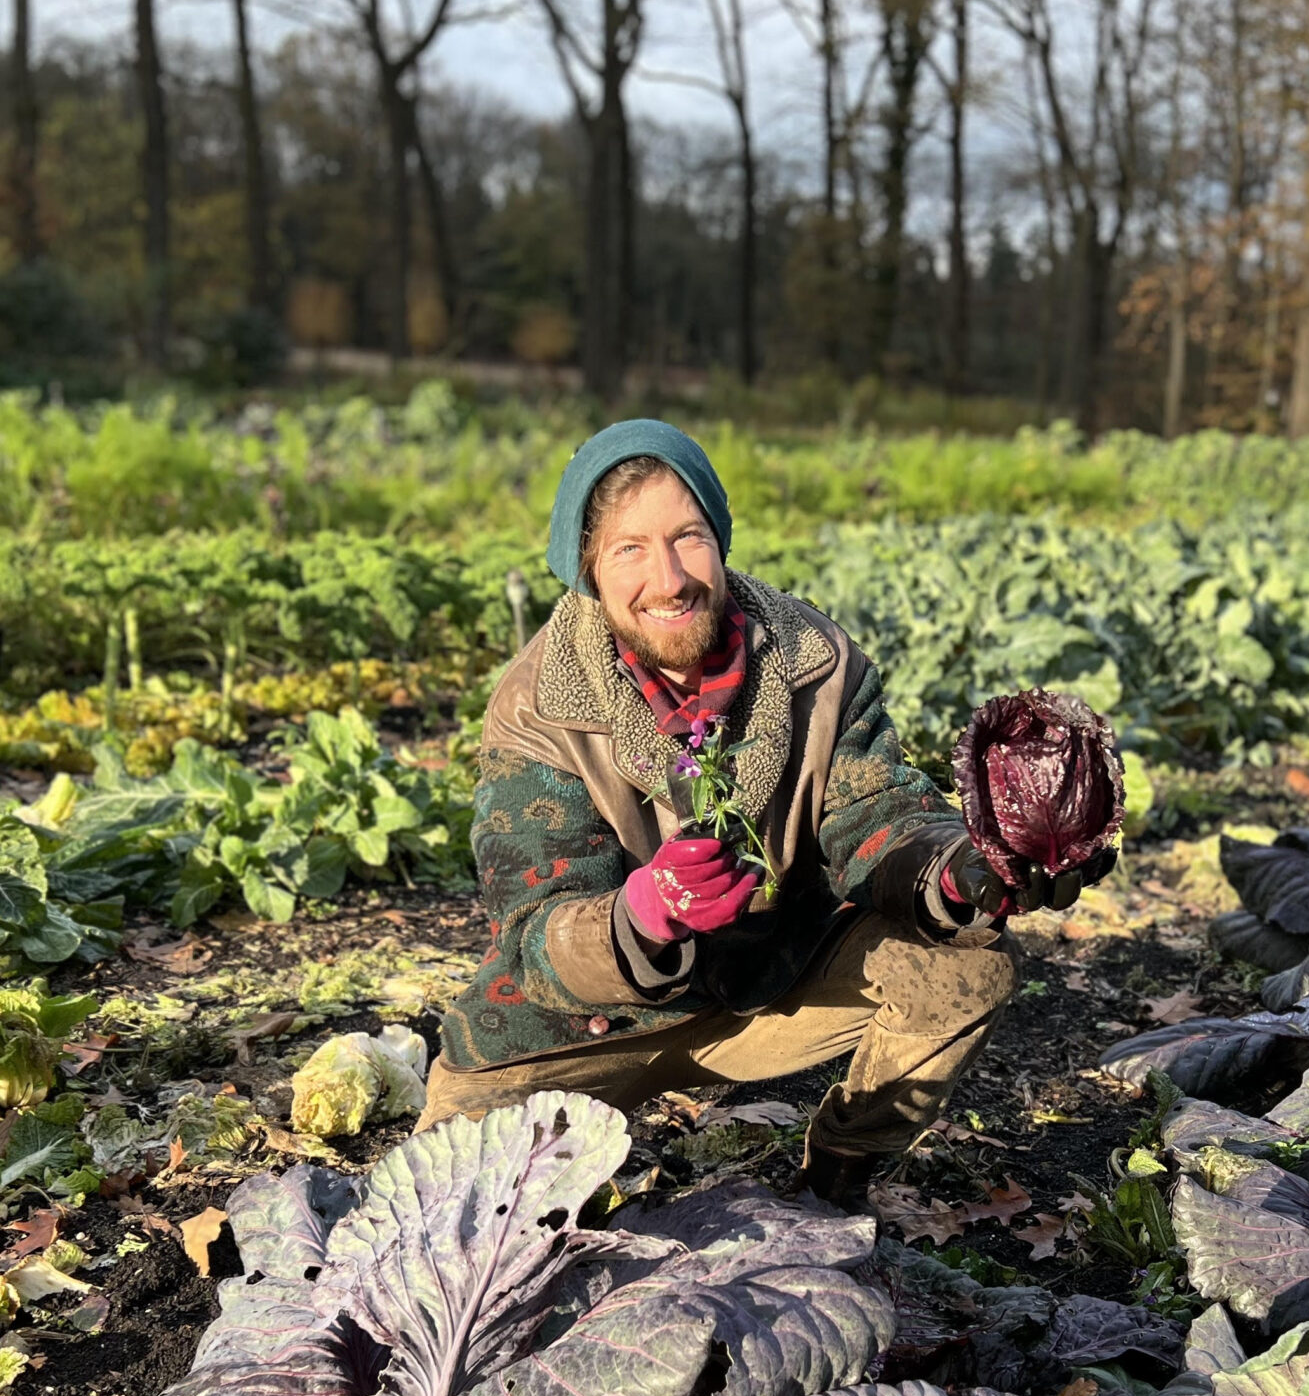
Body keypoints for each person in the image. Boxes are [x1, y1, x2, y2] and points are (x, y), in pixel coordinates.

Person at [422, 420, 1108, 1201]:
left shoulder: (815, 663)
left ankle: (839, 1176)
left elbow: (876, 814)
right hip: (589, 1028)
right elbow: (534, 927)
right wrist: (641, 916)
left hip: (772, 978)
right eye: (629, 549)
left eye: (688, 538)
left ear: (720, 539)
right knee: (448, 1202)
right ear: (588, 569)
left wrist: (962, 872)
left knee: (966, 965)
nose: (669, 579)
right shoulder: (538, 704)